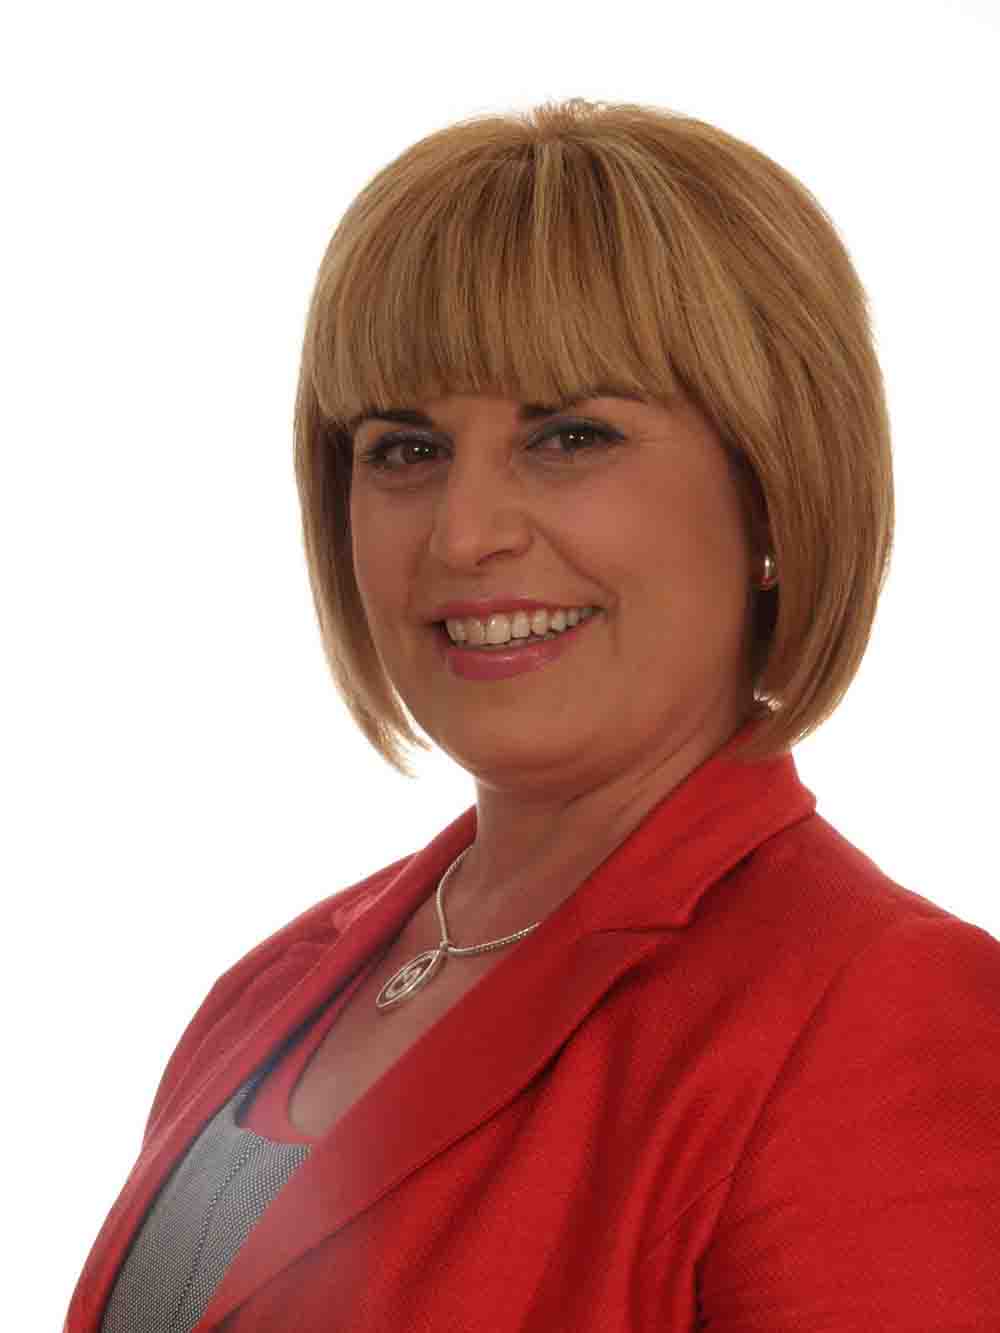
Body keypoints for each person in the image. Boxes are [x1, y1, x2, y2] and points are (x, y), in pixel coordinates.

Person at [65, 97, 1000, 1333]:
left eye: (569, 434)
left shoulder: (874, 1013)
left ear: (774, 498)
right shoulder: (270, 987)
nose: (463, 534)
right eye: (405, 450)